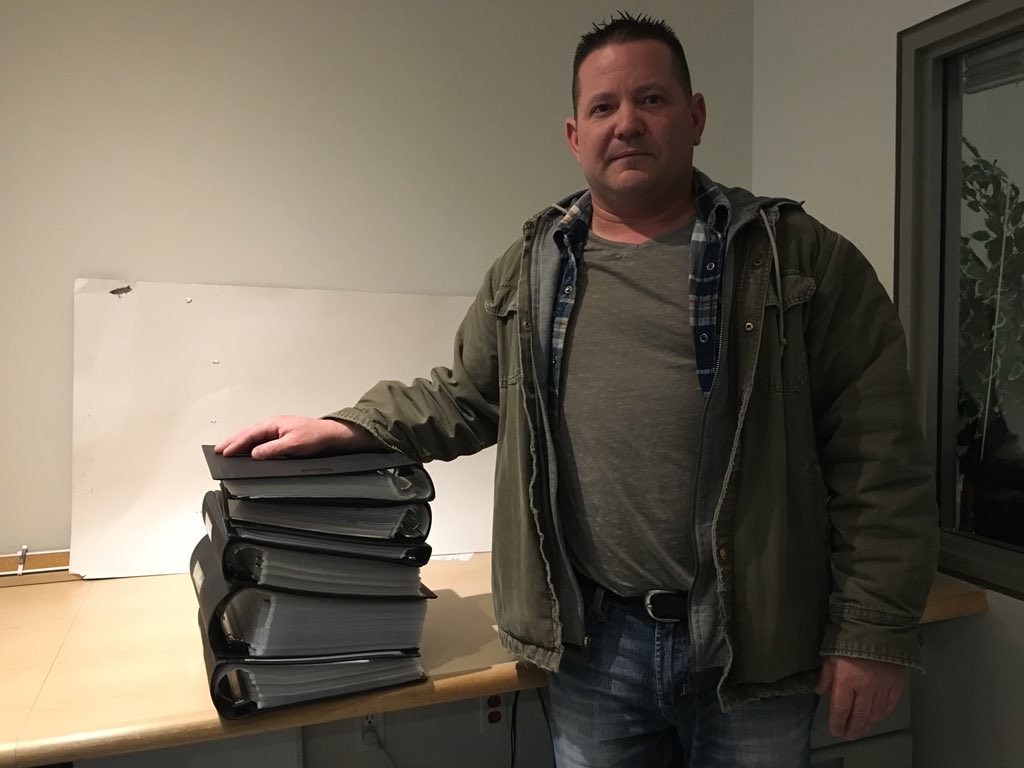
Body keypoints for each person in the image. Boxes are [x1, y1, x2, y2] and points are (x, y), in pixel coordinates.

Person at [216, 12, 938, 767]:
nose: (627, 123)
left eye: (651, 100)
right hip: (597, 646)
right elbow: (467, 395)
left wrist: (872, 632)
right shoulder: (532, 268)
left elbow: (879, 455)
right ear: (574, 134)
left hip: (753, 645)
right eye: (604, 107)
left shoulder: (795, 258)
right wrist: (351, 426)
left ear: (694, 117)